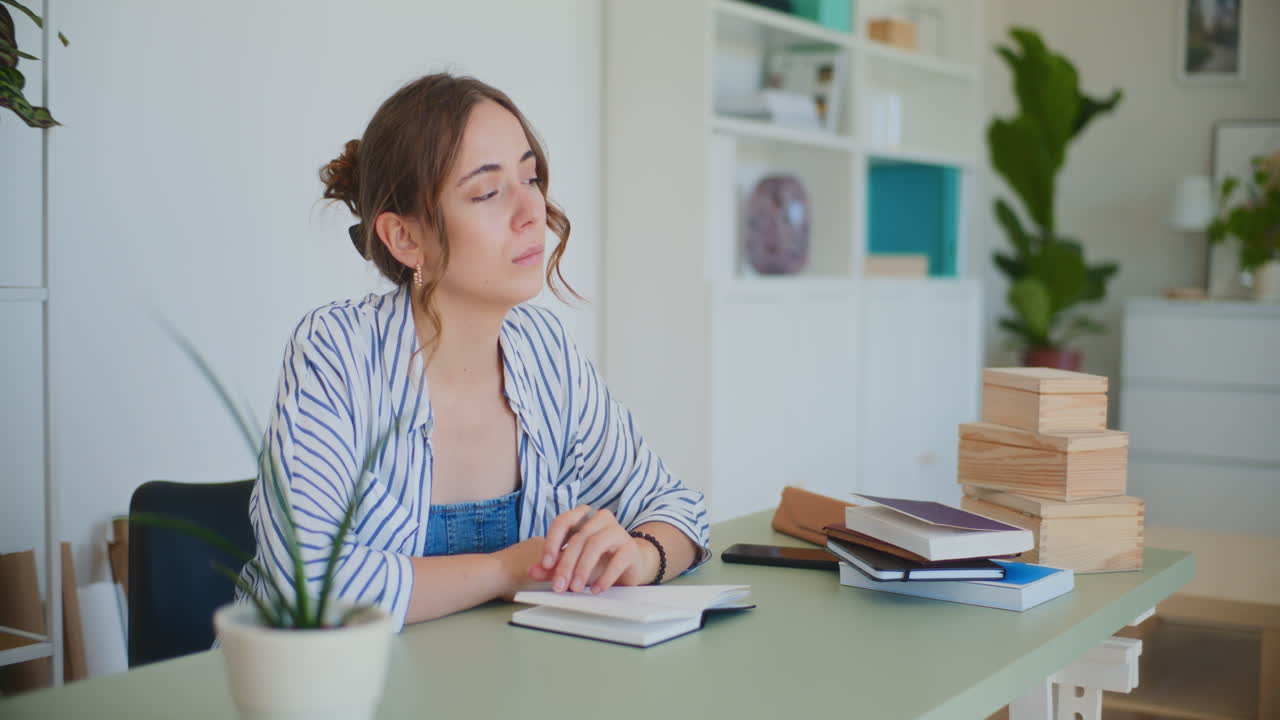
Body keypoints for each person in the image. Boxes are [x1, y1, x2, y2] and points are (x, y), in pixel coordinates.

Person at [238, 73, 709, 631]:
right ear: (405, 238)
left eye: (530, 177)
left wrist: (639, 555)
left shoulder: (546, 353)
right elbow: (306, 583)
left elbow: (680, 509)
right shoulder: (337, 351)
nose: (531, 210)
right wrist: (504, 570)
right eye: (488, 192)